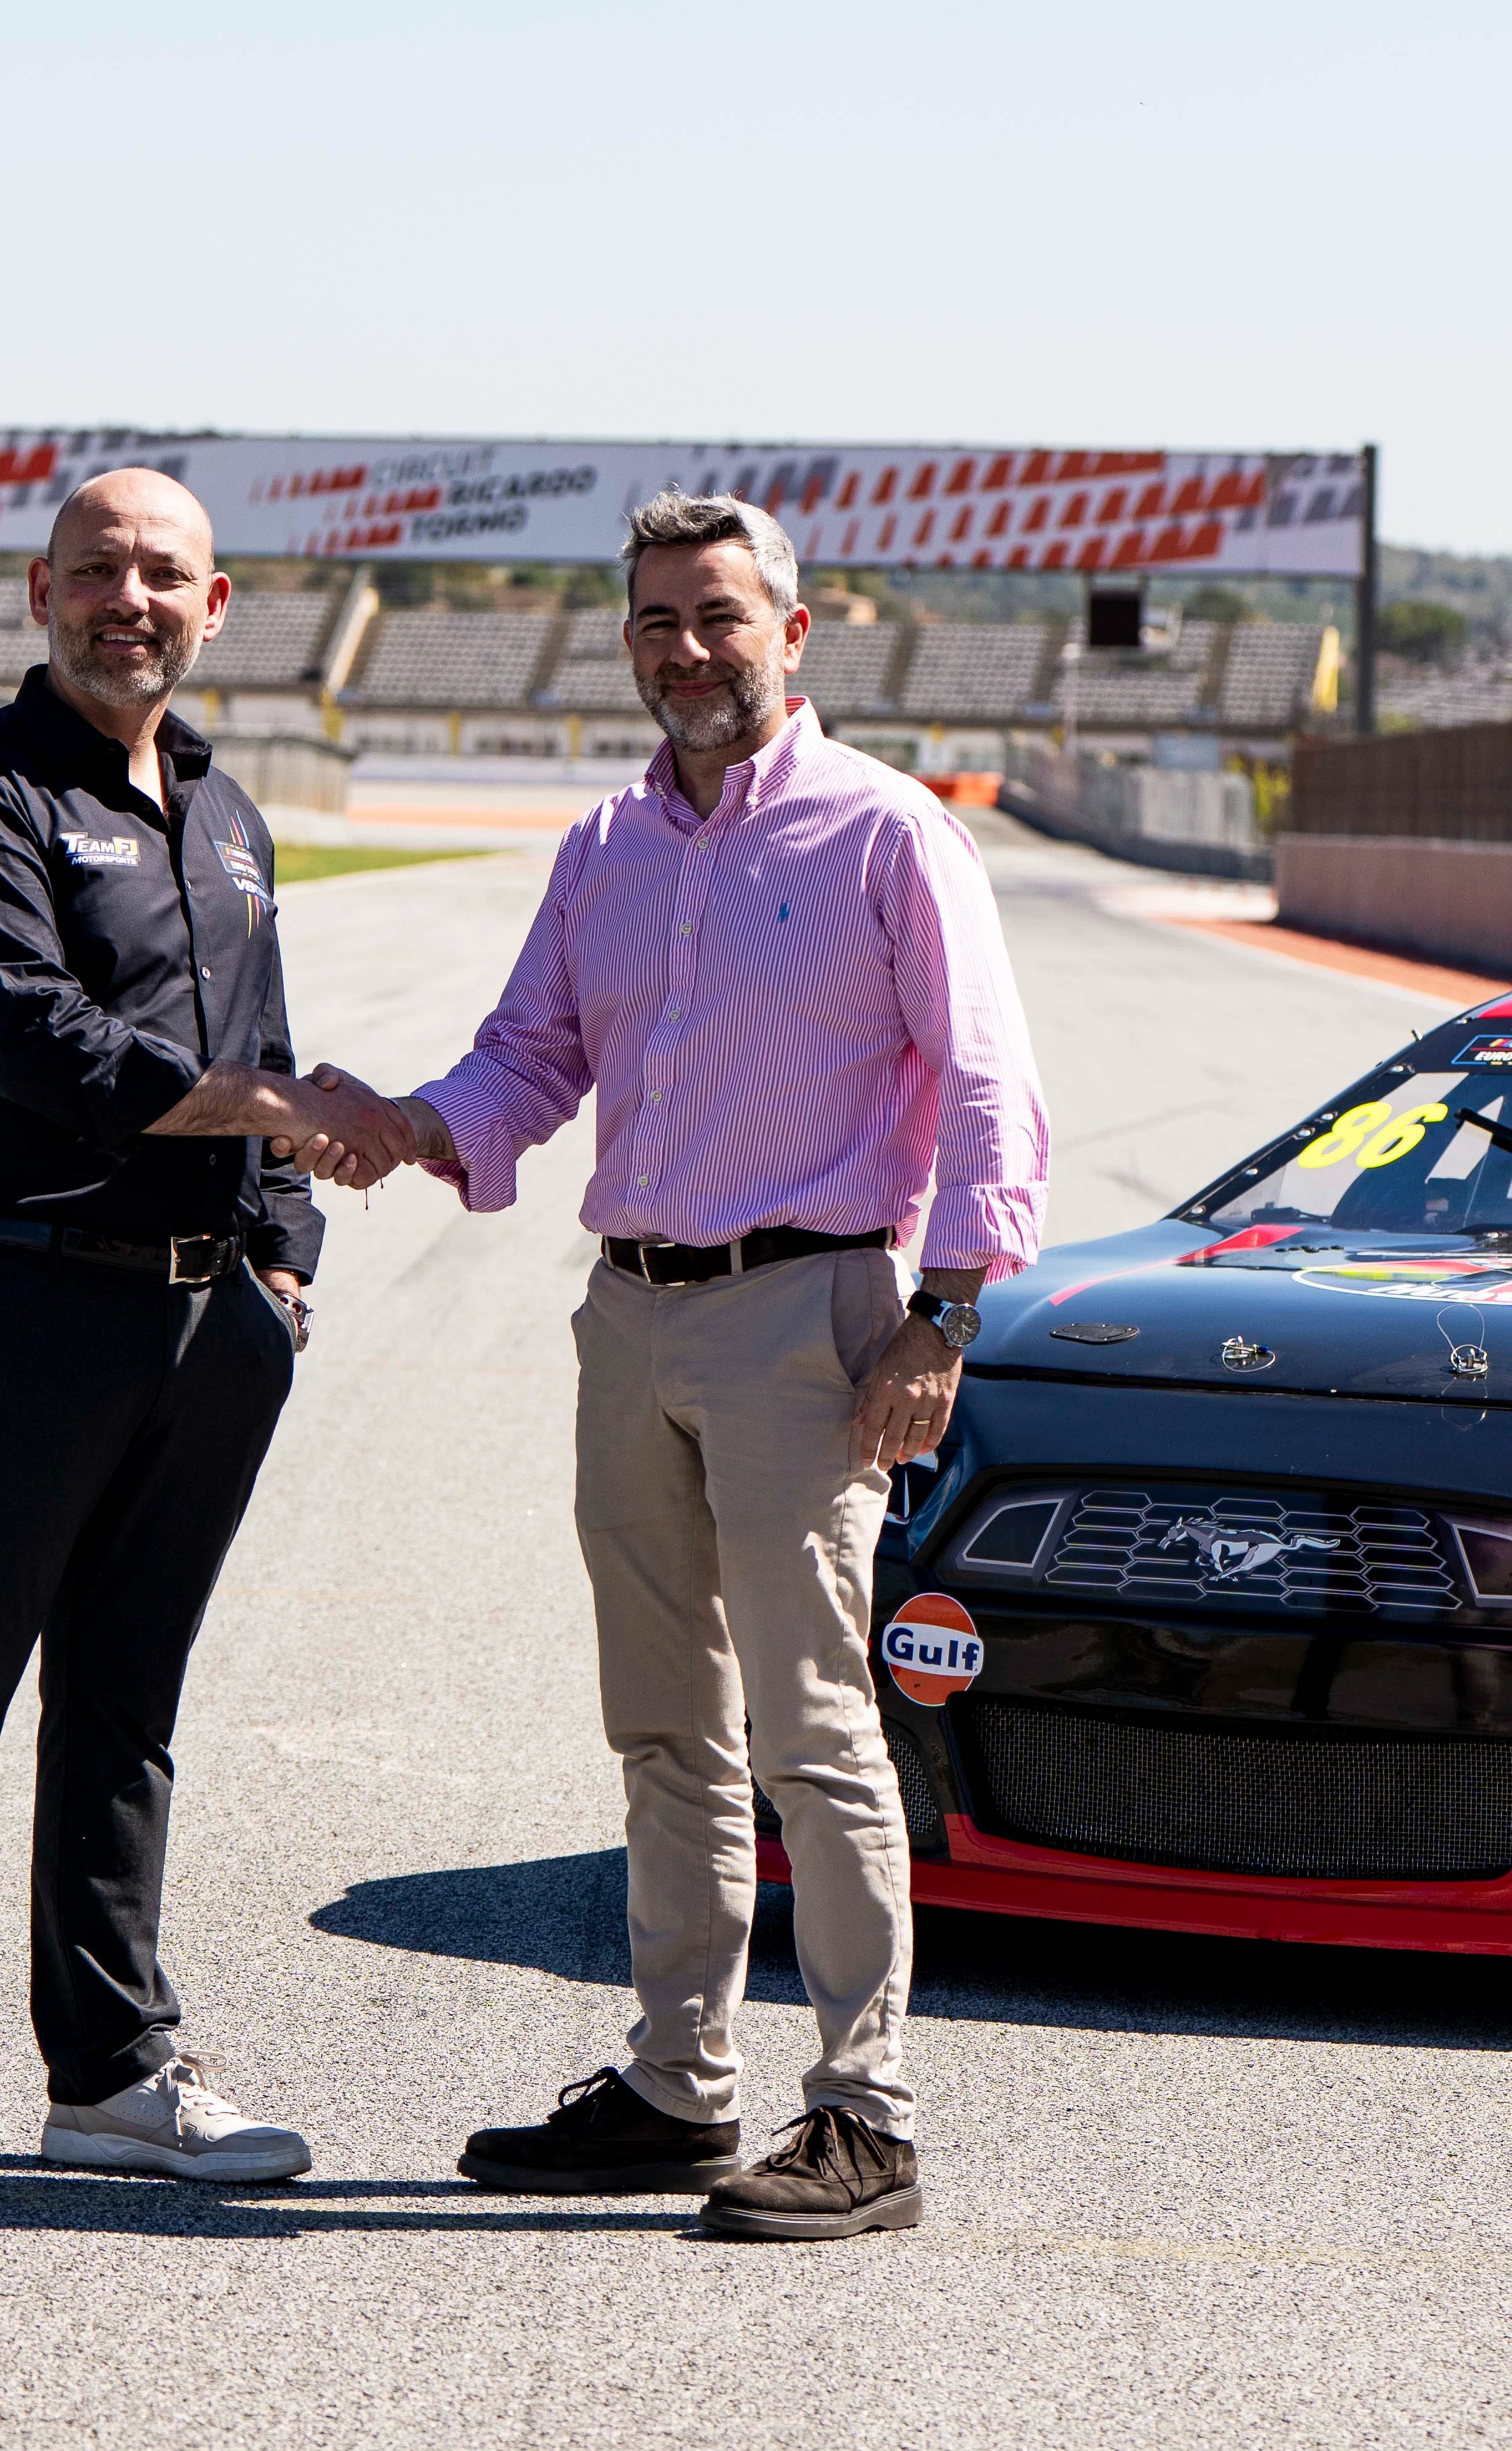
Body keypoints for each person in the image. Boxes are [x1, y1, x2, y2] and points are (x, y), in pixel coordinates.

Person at [318, 493, 1042, 2242]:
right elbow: (530, 1057)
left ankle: (866, 2113)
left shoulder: (888, 835)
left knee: (814, 1725)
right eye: (657, 620)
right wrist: (407, 1125)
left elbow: (985, 1084)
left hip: (811, 1315)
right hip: (631, 1312)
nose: (688, 650)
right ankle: (679, 2082)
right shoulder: (607, 848)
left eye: (719, 616)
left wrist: (944, 1315)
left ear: (793, 634)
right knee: (662, 1723)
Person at [0, 469, 406, 2197]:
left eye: (165, 575)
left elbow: (263, 1037)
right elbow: (40, 1046)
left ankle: (112, 2071)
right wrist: (276, 1109)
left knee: (128, 1704)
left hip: (213, 1325)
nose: (132, 599)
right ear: (40, 593)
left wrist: (284, 1265)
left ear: (217, 607)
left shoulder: (228, 815)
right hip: (25, 1301)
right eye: (99, 569)